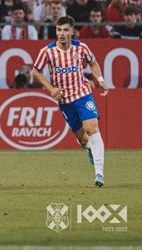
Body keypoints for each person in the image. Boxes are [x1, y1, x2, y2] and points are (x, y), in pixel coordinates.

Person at [32, 15, 108, 187]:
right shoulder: (47, 52)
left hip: (82, 94)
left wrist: (100, 79)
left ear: (72, 31)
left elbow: (93, 63)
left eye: (66, 30)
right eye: (59, 30)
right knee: (82, 139)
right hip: (65, 101)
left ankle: (99, 174)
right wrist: (50, 88)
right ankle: (89, 148)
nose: (62, 33)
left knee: (92, 128)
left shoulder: (81, 48)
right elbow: (35, 72)